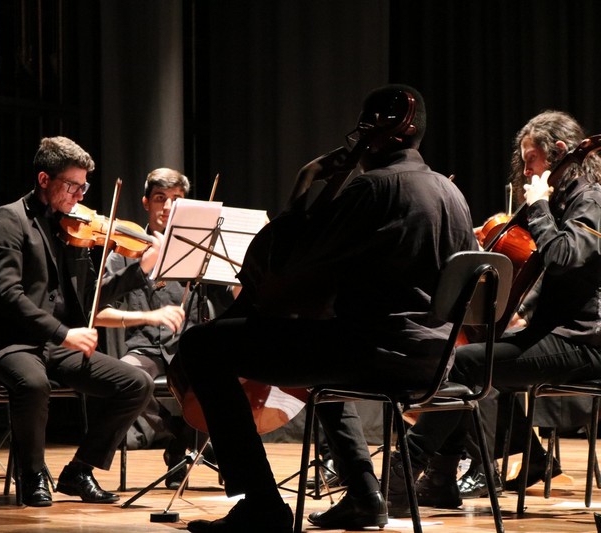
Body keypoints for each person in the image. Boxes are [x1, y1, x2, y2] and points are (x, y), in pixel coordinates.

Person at [173, 84, 478, 532]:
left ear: (370, 133)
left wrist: (306, 181)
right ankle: (364, 495)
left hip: (374, 352)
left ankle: (261, 504)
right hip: (435, 358)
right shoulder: (452, 194)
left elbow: (287, 264)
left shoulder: (371, 189)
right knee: (326, 350)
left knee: (202, 345)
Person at [386, 110, 601, 516]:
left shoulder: (590, 198)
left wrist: (539, 207)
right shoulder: (564, 199)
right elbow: (553, 276)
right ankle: (437, 480)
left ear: (559, 151)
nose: (527, 171)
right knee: (466, 363)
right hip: (557, 333)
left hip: (585, 342)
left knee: (466, 364)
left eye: (532, 160)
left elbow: (564, 256)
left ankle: (407, 472)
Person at [0, 136, 158, 507]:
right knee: (33, 384)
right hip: (14, 343)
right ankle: (32, 474)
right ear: (44, 179)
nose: (79, 195)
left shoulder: (75, 228)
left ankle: (79, 470)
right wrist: (64, 334)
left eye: (83, 187)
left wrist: (139, 270)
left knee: (137, 383)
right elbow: (8, 295)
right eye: (71, 186)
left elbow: (91, 297)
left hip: (58, 346)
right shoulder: (9, 219)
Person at [96, 167, 233, 488]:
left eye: (176, 199)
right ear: (146, 202)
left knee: (220, 378)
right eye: (160, 198)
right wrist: (149, 317)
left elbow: (226, 296)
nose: (168, 207)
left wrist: (242, 277)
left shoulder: (199, 248)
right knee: (127, 377)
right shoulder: (124, 251)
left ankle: (193, 447)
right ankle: (180, 434)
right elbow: (97, 312)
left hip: (189, 348)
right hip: (144, 348)